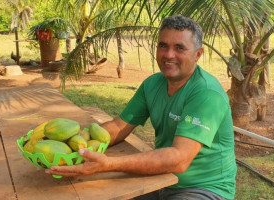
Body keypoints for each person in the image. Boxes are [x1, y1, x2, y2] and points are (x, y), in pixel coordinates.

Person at [45, 15, 237, 200]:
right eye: (163, 46)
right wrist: (74, 143)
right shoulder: (153, 84)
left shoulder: (206, 93)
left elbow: (180, 159)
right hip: (159, 179)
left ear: (198, 54)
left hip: (203, 188)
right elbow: (119, 127)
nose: (169, 55)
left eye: (179, 48)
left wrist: (109, 164)